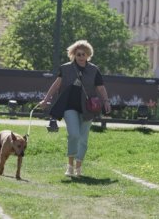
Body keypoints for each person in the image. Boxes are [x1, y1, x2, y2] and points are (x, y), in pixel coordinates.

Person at [39, 40, 111, 177]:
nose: (81, 57)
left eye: (84, 54)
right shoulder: (65, 68)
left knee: (83, 139)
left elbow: (100, 88)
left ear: (88, 55)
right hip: (69, 106)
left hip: (88, 108)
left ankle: (78, 167)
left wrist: (106, 101)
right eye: (78, 54)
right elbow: (56, 85)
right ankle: (70, 166)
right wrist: (46, 99)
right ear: (73, 54)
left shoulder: (94, 70)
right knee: (74, 134)